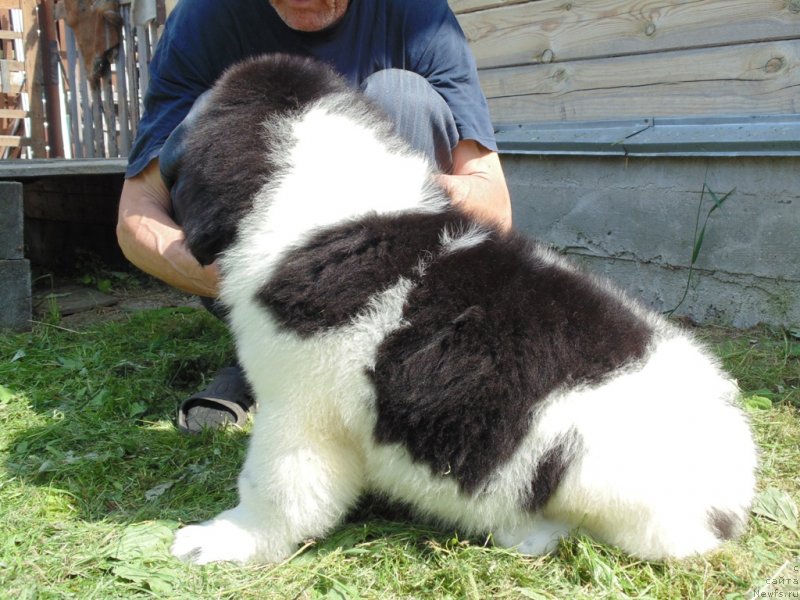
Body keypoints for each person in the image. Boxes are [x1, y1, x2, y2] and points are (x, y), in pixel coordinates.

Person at [117, 0, 512, 432]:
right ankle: (268, 348)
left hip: (385, 257)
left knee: (402, 94)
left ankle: (394, 359)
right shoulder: (203, 18)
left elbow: (493, 201)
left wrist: (405, 204)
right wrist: (243, 278)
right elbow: (136, 212)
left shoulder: (418, 14)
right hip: (263, 267)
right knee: (214, 108)